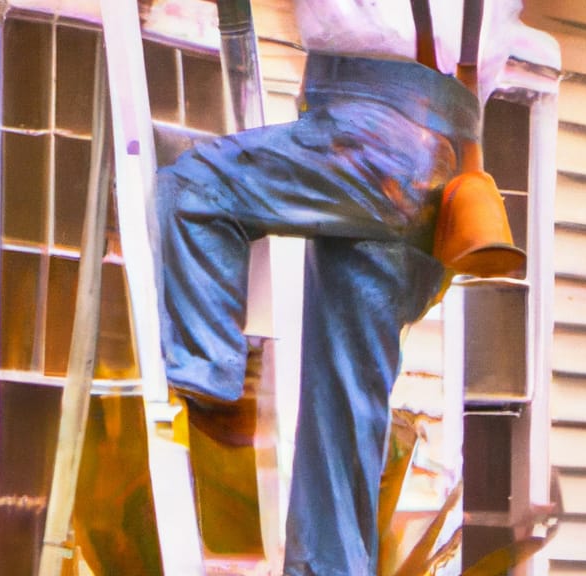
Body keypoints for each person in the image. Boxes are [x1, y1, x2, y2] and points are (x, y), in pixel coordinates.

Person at [155, 2, 542, 573]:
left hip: (372, 134)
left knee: (194, 190)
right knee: (344, 415)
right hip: (450, 177)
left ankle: (211, 377)